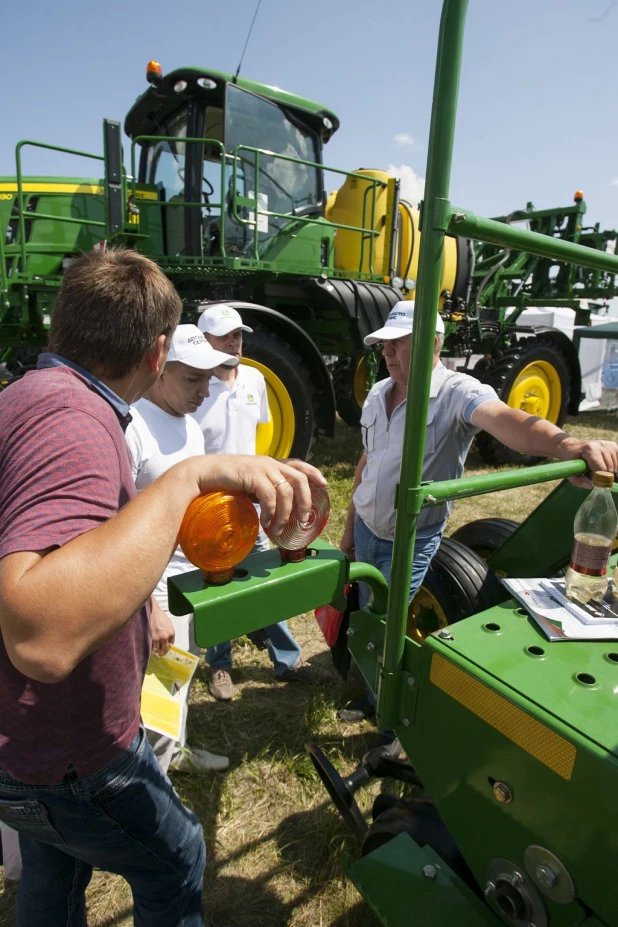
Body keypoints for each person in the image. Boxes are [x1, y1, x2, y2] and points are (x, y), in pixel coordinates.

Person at [0, 248, 326, 927]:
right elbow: (41, 633)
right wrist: (188, 480)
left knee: (54, 871)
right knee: (177, 854)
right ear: (156, 351)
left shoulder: (29, 395)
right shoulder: (75, 419)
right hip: (69, 751)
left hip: (23, 744)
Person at [339, 299, 618, 720]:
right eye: (384, 345)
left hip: (410, 537)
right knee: (369, 616)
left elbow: (509, 420)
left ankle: (394, 727)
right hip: (366, 528)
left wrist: (567, 446)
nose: (387, 353)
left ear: (433, 344)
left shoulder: (456, 392)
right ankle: (372, 696)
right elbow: (368, 462)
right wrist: (348, 530)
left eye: (399, 343)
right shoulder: (379, 392)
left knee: (394, 628)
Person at [193, 304, 325, 700]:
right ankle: (219, 666)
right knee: (218, 587)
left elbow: (255, 438)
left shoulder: (254, 378)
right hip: (212, 506)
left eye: (238, 334)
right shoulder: (195, 386)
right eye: (225, 335)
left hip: (254, 501)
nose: (235, 342)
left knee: (266, 580)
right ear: (205, 341)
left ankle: (287, 660)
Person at [126, 323, 240, 774]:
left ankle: (177, 753)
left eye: (209, 378)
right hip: (149, 587)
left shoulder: (190, 427)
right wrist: (149, 604)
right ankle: (154, 785)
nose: (204, 390)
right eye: (192, 379)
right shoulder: (132, 426)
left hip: (187, 579)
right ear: (159, 370)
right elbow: (118, 524)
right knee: (150, 691)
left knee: (180, 675)